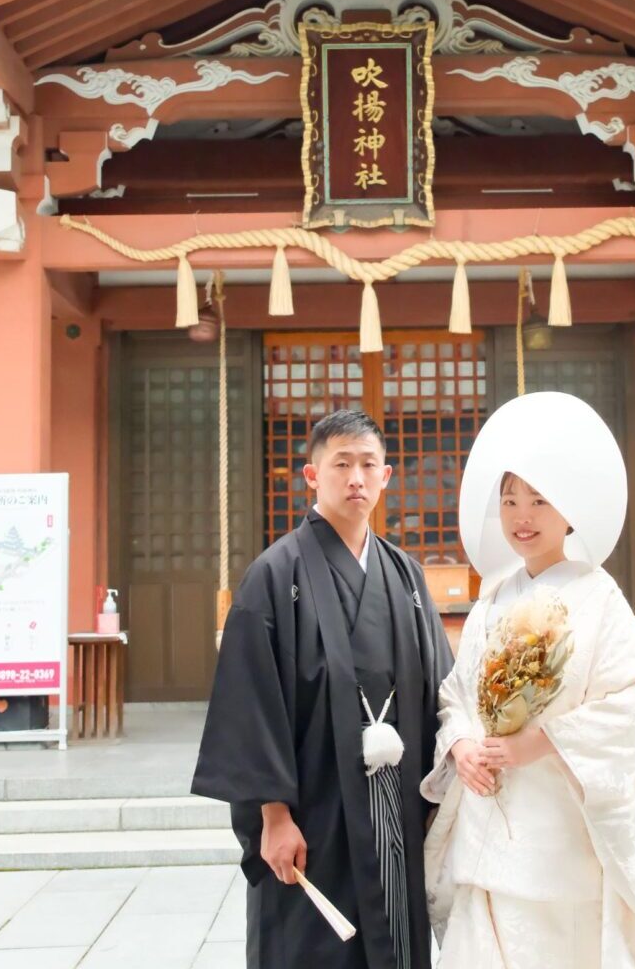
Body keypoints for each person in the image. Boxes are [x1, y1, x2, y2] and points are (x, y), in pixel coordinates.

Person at [192, 409, 453, 969]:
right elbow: (251, 704)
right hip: (313, 805)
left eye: (368, 465)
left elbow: (439, 687)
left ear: (386, 477)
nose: (355, 478)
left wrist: (441, 790)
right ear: (312, 476)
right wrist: (273, 816)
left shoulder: (405, 575)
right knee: (311, 946)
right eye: (341, 464)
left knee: (396, 943)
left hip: (396, 804)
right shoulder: (274, 574)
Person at [422, 391, 635, 969]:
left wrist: (538, 742)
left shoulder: (597, 595)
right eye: (509, 501)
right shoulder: (494, 597)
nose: (521, 517)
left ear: (570, 510)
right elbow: (457, 693)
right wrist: (461, 747)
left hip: (556, 829)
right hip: (487, 817)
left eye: (538, 499)